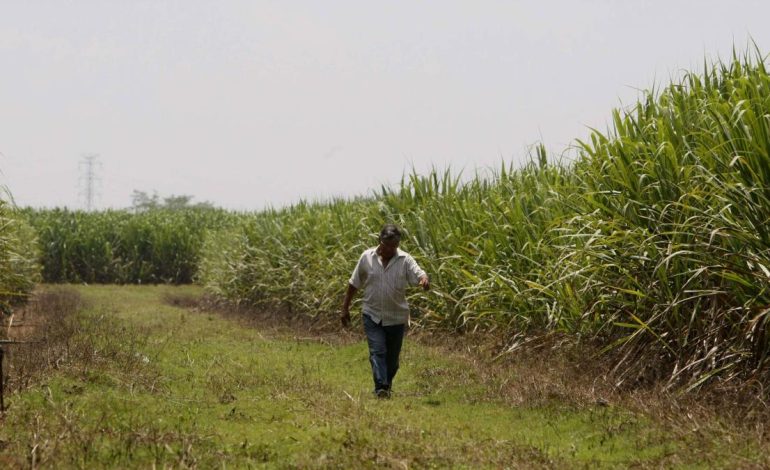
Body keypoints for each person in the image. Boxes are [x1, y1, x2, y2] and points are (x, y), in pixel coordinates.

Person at [341, 224, 430, 398]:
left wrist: (424, 280)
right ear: (379, 241)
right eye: (387, 244)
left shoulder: (405, 259)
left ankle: (386, 385)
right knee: (378, 351)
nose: (390, 249)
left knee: (393, 361)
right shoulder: (366, 257)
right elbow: (354, 283)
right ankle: (381, 387)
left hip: (396, 317)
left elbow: (419, 273)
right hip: (371, 314)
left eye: (394, 245)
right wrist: (345, 308)